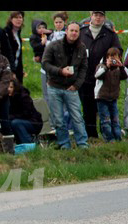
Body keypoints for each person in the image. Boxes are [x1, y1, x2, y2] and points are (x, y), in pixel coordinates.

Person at [42, 21, 89, 149]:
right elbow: (45, 64)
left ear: (79, 33)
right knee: (58, 119)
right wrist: (60, 71)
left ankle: (82, 144)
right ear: (66, 31)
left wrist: (77, 85)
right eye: (71, 30)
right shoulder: (53, 45)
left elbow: (84, 68)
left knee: (77, 117)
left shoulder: (82, 48)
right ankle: (64, 144)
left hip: (72, 88)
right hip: (54, 87)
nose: (74, 33)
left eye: (76, 31)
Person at [79, 11, 123, 139]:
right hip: (85, 77)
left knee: (104, 109)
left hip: (104, 79)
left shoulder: (110, 34)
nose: (98, 17)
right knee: (87, 109)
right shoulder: (82, 32)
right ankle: (91, 136)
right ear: (90, 15)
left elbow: (118, 51)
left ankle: (107, 135)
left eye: (101, 15)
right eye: (95, 15)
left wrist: (109, 63)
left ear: (104, 17)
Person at [95, 48, 128, 141]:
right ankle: (109, 139)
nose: (113, 59)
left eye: (115, 57)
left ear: (120, 58)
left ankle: (118, 137)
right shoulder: (102, 66)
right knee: (106, 120)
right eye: (111, 57)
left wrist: (121, 66)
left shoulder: (119, 68)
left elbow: (126, 76)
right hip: (102, 98)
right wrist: (107, 66)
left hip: (113, 98)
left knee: (115, 119)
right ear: (107, 58)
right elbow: (97, 75)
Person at [7, 78, 43, 145]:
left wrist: (11, 117)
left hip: (34, 122)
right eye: (7, 87)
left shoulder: (24, 97)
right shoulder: (7, 98)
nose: (8, 89)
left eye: (11, 87)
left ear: (15, 88)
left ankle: (29, 145)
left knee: (15, 123)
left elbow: (27, 114)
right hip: (19, 121)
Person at [4, 11, 25, 83]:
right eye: (16, 17)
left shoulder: (18, 33)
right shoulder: (6, 32)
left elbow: (19, 54)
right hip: (7, 68)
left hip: (17, 68)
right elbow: (7, 53)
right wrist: (11, 71)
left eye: (20, 17)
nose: (18, 20)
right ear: (11, 19)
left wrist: (21, 69)